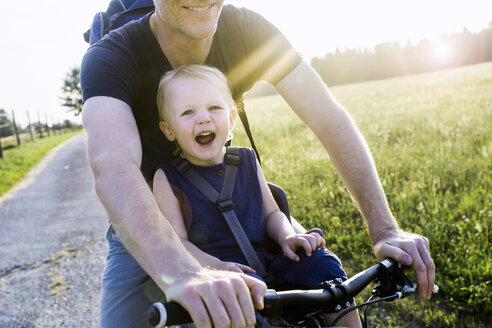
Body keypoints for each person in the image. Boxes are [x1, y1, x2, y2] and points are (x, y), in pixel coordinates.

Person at [80, 1, 435, 327]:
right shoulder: (111, 56)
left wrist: (385, 230)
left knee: (328, 284)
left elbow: (328, 119)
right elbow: (113, 164)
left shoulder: (248, 30)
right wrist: (183, 272)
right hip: (151, 223)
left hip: (240, 203)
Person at [152, 64, 361, 327]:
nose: (203, 119)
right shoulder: (167, 178)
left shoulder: (247, 161)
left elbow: (272, 213)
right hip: (218, 279)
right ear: (168, 130)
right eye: (187, 112)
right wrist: (216, 267)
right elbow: (177, 243)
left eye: (213, 108)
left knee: (323, 264)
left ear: (231, 119)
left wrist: (288, 236)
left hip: (269, 264)